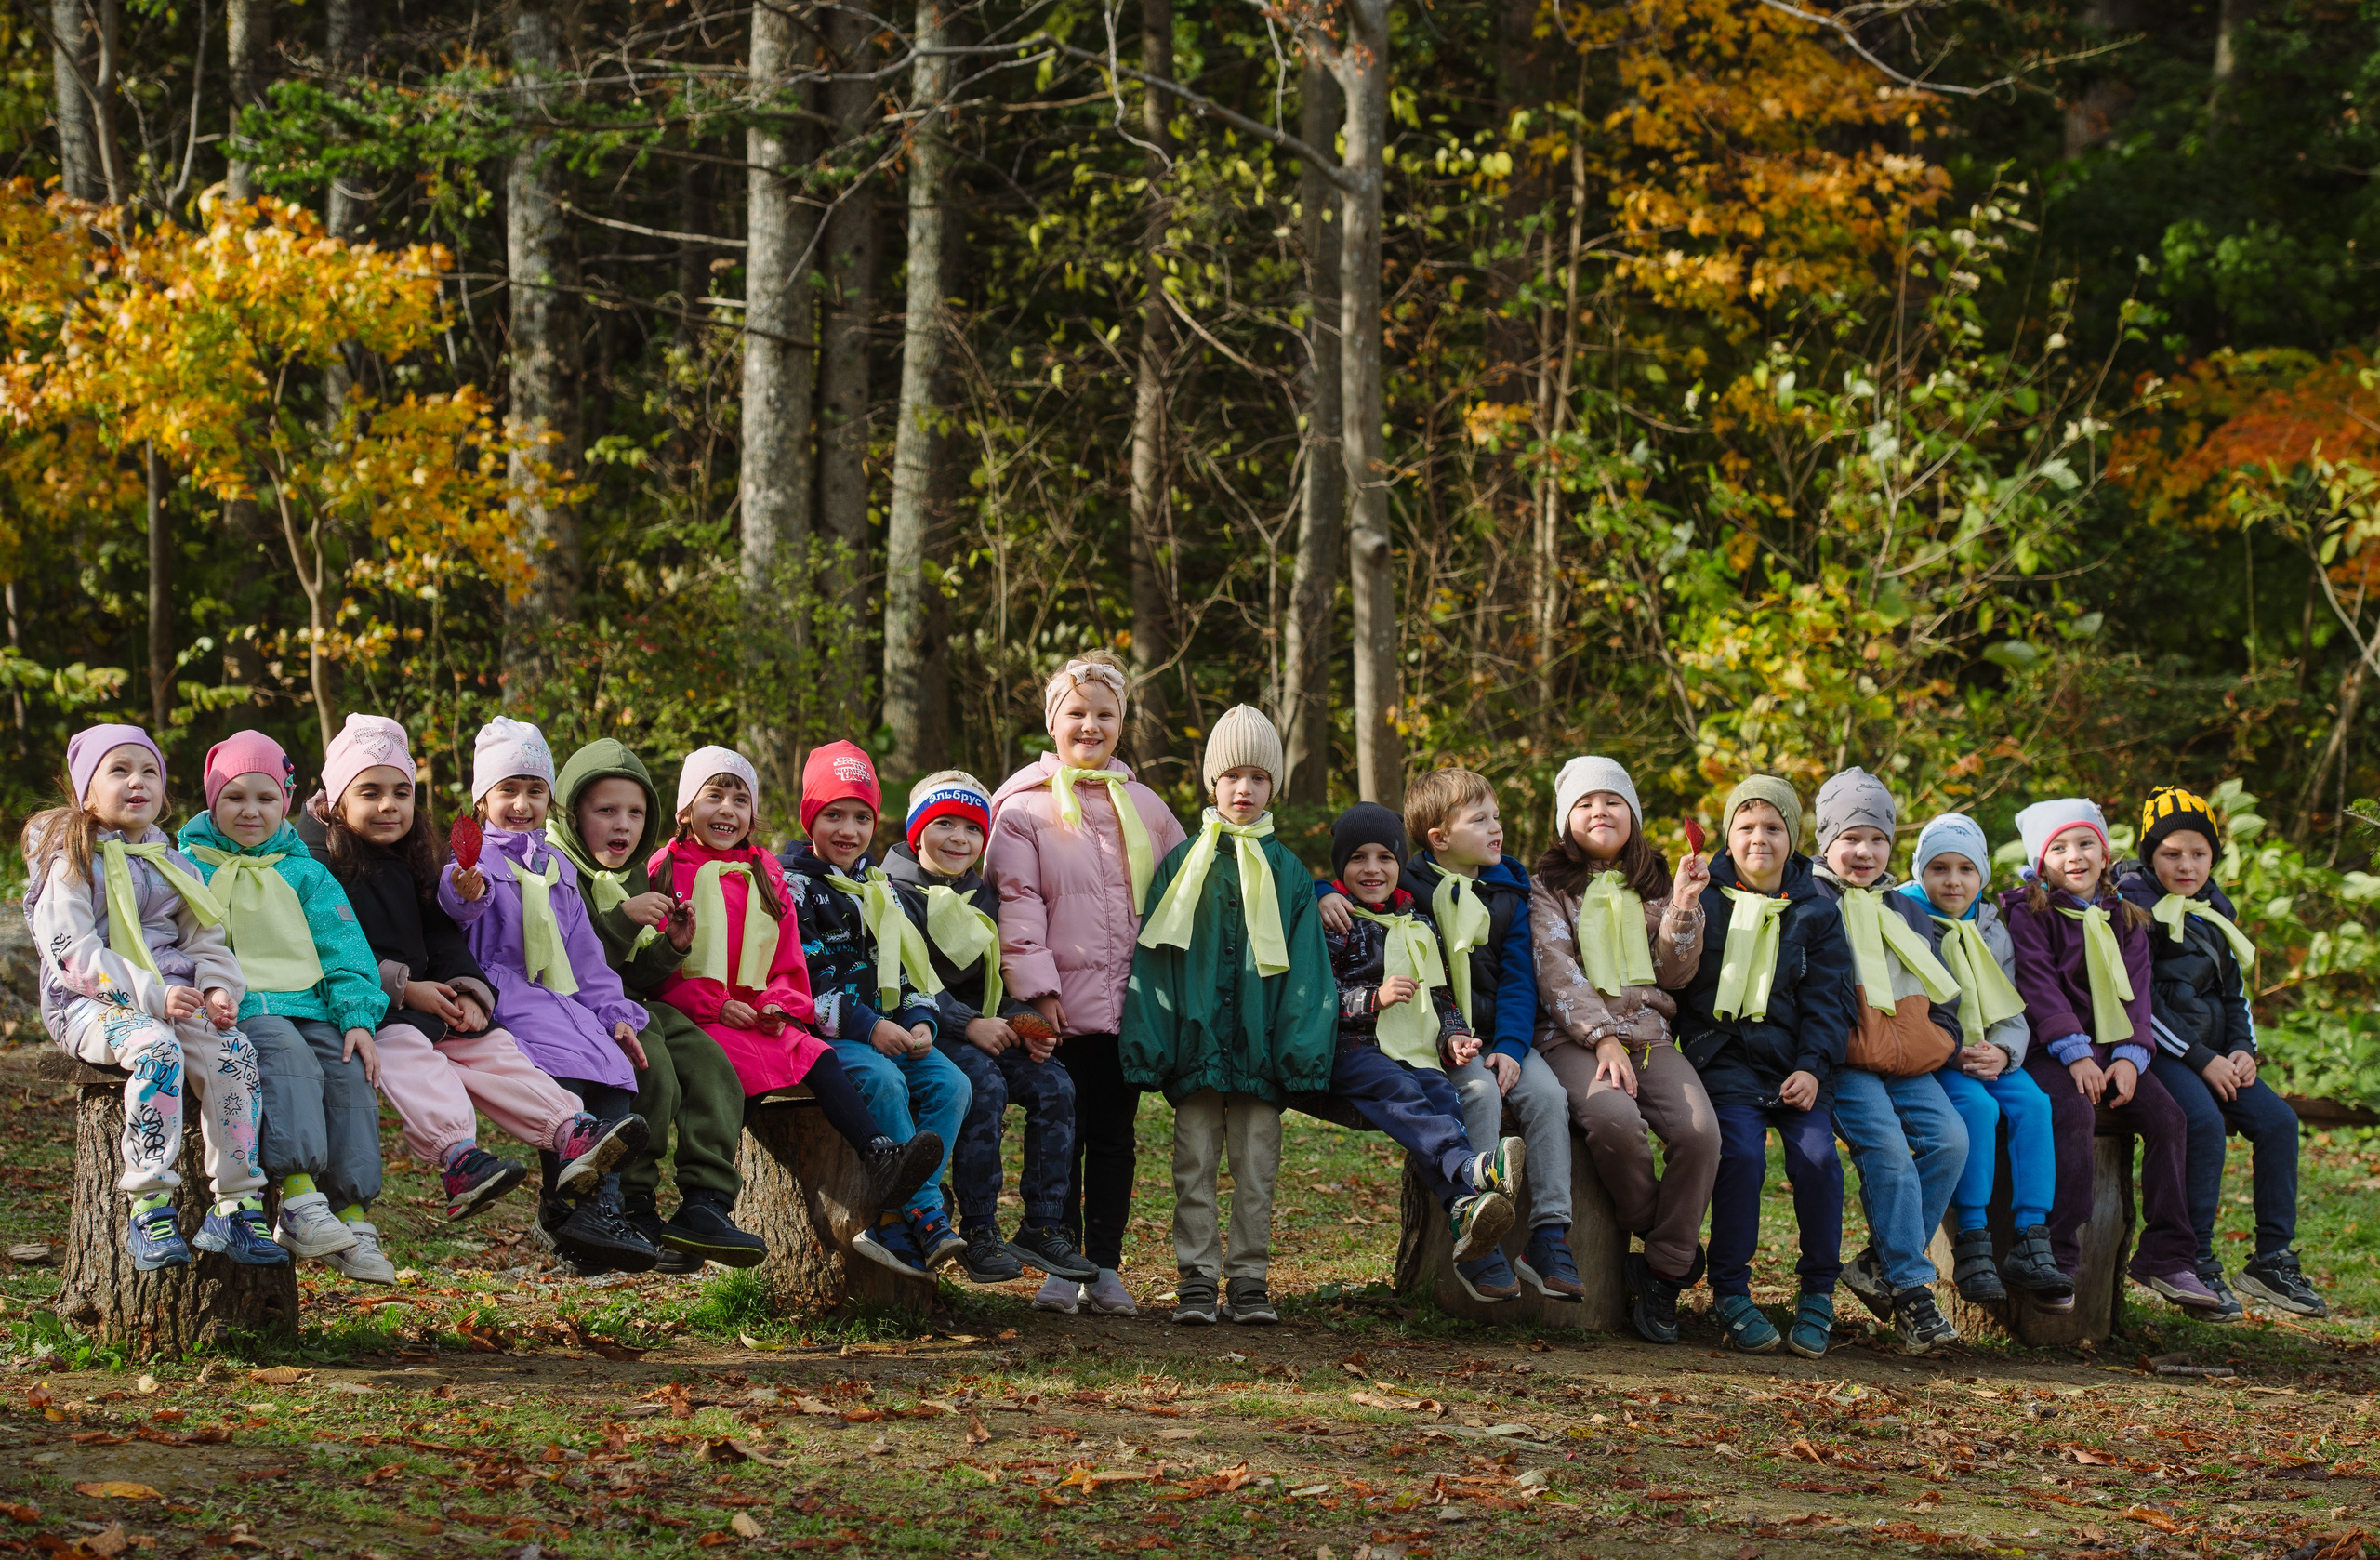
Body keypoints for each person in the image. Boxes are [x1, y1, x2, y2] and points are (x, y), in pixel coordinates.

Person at [304, 715, 624, 1238]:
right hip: (372, 1008)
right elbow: (330, 948)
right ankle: (459, 1156)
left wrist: (470, 991)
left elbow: (444, 933)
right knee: (410, 1058)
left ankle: (569, 1128)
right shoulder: (324, 864)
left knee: (497, 1051)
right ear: (339, 801)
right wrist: (405, 988)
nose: (389, 805)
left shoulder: (413, 859)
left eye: (402, 792)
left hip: (436, 1000)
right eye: (370, 792)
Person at [22, 725, 284, 1271]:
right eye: (118, 770)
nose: (137, 782)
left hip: (174, 995)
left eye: (149, 772)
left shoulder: (175, 862)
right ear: (86, 790)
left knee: (234, 1053)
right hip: (89, 1003)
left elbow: (205, 938)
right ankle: (151, 1205)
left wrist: (215, 987)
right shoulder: (69, 856)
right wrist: (150, 995)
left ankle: (236, 1204)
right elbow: (71, 949)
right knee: (156, 1050)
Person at [1319, 769, 1579, 1303]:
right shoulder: (1411, 887)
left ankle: (1550, 1234)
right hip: (1423, 1040)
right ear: (1439, 837)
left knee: (1549, 1096)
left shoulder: (1510, 888)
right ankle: (1480, 1236)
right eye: (1480, 819)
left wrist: (1507, 1048)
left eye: (1497, 817)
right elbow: (1357, 878)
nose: (1496, 827)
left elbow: (1516, 981)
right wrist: (1325, 890)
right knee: (1476, 1092)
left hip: (1484, 1037)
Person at [985, 653, 1189, 1315]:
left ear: (1122, 724)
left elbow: (1179, 898)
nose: (1091, 726)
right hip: (1059, 1010)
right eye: (1077, 713)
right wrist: (1037, 993)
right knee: (1058, 1135)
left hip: (1127, 1008)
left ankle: (1104, 1264)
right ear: (1053, 722)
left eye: (1105, 714)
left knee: (1112, 1137)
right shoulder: (1024, 810)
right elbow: (1018, 908)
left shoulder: (1148, 809)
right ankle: (1056, 1258)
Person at [1120, 706, 1335, 1327]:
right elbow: (1155, 960)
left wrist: (1297, 1050)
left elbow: (1307, 972)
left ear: (1274, 787)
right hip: (1194, 1048)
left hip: (1261, 1051)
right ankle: (1195, 1278)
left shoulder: (1290, 873)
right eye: (1232, 776)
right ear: (1211, 782)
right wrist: (1152, 1043)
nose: (1245, 790)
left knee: (1255, 1167)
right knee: (1192, 1164)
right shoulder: (1183, 865)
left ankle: (1248, 1279)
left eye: (1259, 778)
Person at [441, 718, 656, 1274]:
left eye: (535, 791)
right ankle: (574, 1209)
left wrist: (612, 1013)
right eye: (507, 790)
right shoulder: (474, 861)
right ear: (482, 797)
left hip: (559, 993)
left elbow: (584, 953)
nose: (521, 803)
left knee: (611, 1062)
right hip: (504, 991)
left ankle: (594, 1209)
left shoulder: (554, 864)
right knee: (565, 1067)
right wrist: (464, 893)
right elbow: (456, 906)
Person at [178, 731, 392, 1282]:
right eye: (235, 797)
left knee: (346, 1074)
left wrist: (357, 1018)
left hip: (311, 1002)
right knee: (285, 1055)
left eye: (266, 798)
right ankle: (298, 1199)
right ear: (212, 801)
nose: (251, 811)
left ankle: (351, 1217)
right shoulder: (188, 865)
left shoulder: (305, 873)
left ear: (288, 803)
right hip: (239, 1005)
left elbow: (343, 947)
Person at [549, 739, 760, 1272]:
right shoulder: (553, 867)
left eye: (637, 813)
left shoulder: (635, 873)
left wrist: (674, 945)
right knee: (654, 1066)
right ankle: (635, 1205)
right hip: (572, 1009)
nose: (623, 825)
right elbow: (565, 963)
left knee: (712, 1064)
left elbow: (634, 974)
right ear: (573, 813)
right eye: (606, 811)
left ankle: (705, 1203)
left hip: (630, 1000)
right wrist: (623, 918)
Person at [1527, 755, 1719, 1344]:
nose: (1599, 811)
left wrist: (1684, 904)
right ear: (1566, 821)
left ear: (1632, 815)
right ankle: (1663, 1235)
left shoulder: (1657, 882)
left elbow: (1675, 973)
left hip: (1650, 1035)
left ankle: (1660, 1272)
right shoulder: (1547, 887)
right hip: (1574, 1039)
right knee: (1615, 1121)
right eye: (1584, 804)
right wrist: (1601, 1036)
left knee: (1699, 1133)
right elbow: (1554, 970)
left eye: (1612, 801)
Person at [2001, 798, 2219, 1313]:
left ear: (2105, 855)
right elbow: (2038, 986)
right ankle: (2058, 1254)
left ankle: (2167, 1255)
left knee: (2169, 1117)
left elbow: (2137, 995)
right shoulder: (2029, 914)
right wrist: (2076, 1053)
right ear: (2040, 862)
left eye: (2085, 844)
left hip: (2113, 1051)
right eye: (2058, 848)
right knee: (2074, 1111)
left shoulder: (2124, 917)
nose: (2073, 856)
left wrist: (2130, 1056)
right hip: (2047, 1050)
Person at [2116, 787, 2327, 1317]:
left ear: (2213, 855)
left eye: (2199, 853)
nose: (2186, 865)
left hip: (2214, 1052)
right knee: (2202, 1121)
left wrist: (2240, 1049)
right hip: (2159, 1053)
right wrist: (2200, 1058)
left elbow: (2233, 994)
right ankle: (2195, 1257)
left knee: (2278, 1121)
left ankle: (2272, 1259)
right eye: (2171, 853)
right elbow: (2138, 1003)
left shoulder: (2216, 909)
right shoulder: (2131, 909)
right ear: (2149, 855)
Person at [885, 770, 1098, 1288]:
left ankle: (1044, 1224)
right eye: (944, 825)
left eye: (973, 830)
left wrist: (1027, 1024)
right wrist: (969, 1023)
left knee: (1055, 1085)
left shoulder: (983, 897)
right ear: (917, 832)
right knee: (984, 1083)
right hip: (926, 1030)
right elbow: (899, 978)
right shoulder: (892, 894)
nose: (959, 839)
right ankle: (980, 1227)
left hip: (987, 1026)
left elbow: (999, 981)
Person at [1669, 776, 1855, 1359]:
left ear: (1794, 836)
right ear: (1728, 837)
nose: (1759, 839)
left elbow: (1830, 1000)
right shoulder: (1709, 893)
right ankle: (1730, 1290)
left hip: (1797, 1067)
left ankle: (1819, 1289)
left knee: (1819, 1158)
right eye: (1745, 828)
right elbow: (1683, 982)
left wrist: (1813, 1068)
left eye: (1773, 827)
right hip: (1724, 1057)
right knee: (1742, 1154)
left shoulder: (1816, 909)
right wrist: (1686, 907)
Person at [779, 740, 972, 1278]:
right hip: (829, 1038)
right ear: (809, 818)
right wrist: (870, 1026)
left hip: (889, 1029)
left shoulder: (879, 888)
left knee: (952, 1084)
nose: (848, 830)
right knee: (885, 1081)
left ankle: (894, 1216)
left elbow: (912, 967)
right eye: (833, 815)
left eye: (861, 817)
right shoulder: (792, 889)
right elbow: (800, 986)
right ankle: (928, 1216)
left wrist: (919, 1018)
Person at [1806, 767, 1969, 1355]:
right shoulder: (1810, 898)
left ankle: (1878, 1263)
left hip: (1909, 1059)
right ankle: (1912, 1293)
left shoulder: (1909, 910)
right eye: (1851, 837)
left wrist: (1944, 1039)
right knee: (1888, 1150)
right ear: (1826, 840)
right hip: (1844, 1060)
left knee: (1950, 1139)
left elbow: (1944, 992)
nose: (1865, 851)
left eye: (1877, 839)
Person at [1898, 813, 2070, 1309]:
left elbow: (2013, 1003)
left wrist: (2005, 1050)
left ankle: (2031, 1237)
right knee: (1978, 1110)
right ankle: (1973, 1242)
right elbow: (1912, 1007)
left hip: (1994, 1054)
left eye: (1966, 870)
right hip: (1941, 1060)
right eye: (1940, 869)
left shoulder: (1993, 928)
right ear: (1920, 874)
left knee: (2035, 1106)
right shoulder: (1911, 922)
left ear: (1983, 876)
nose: (1954, 881)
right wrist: (1954, 1054)